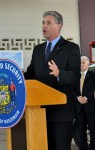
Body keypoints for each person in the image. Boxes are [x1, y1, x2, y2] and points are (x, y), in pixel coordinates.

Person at [24, 10, 80, 150]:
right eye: (43, 23)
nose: (44, 26)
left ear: (59, 26)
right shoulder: (38, 49)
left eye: (48, 23)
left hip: (61, 113)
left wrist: (59, 73)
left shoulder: (71, 48)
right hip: (39, 112)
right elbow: (31, 74)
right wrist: (16, 76)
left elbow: (75, 76)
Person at [74, 56, 95, 150]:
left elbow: (93, 89)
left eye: (83, 62)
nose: (81, 64)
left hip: (91, 107)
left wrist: (86, 97)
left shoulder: (93, 75)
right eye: (80, 63)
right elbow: (72, 89)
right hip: (79, 108)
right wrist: (78, 98)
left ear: (88, 64)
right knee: (81, 132)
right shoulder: (75, 76)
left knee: (93, 131)